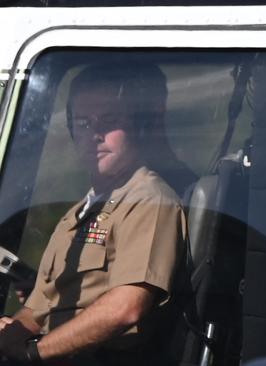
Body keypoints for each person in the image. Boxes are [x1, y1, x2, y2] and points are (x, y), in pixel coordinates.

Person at [0, 63, 189, 365]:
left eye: (109, 121)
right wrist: (11, 335)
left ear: (136, 127)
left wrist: (34, 352)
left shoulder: (149, 200)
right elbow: (38, 308)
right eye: (84, 123)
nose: (95, 135)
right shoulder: (76, 215)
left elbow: (127, 307)